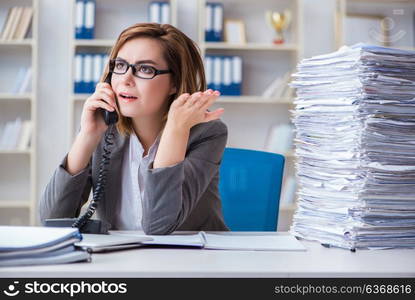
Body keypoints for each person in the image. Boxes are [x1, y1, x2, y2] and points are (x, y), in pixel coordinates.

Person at [39, 23, 229, 235]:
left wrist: (176, 129)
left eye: (145, 69)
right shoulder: (104, 129)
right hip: (119, 257)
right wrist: (87, 135)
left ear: (175, 82)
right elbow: (50, 219)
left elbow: (159, 226)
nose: (126, 80)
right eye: (120, 66)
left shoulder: (207, 133)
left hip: (192, 260)